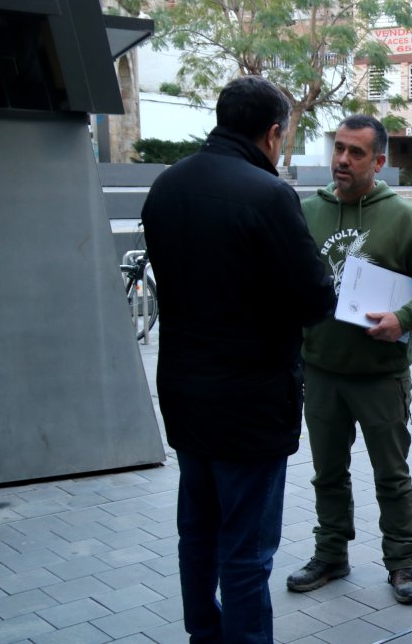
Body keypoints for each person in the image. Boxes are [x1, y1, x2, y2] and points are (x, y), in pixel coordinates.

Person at [142, 75, 336, 643]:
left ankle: (204, 634)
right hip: (250, 402)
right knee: (247, 551)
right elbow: (315, 299)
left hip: (184, 391)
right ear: (273, 133)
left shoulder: (167, 186)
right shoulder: (268, 194)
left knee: (196, 534)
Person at [286, 115, 412, 604]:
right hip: (320, 371)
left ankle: (402, 562)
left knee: (391, 475)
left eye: (356, 152)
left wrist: (404, 319)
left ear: (379, 161)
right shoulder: (307, 212)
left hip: (380, 376)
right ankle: (331, 553)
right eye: (338, 148)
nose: (342, 159)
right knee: (327, 473)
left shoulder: (403, 218)